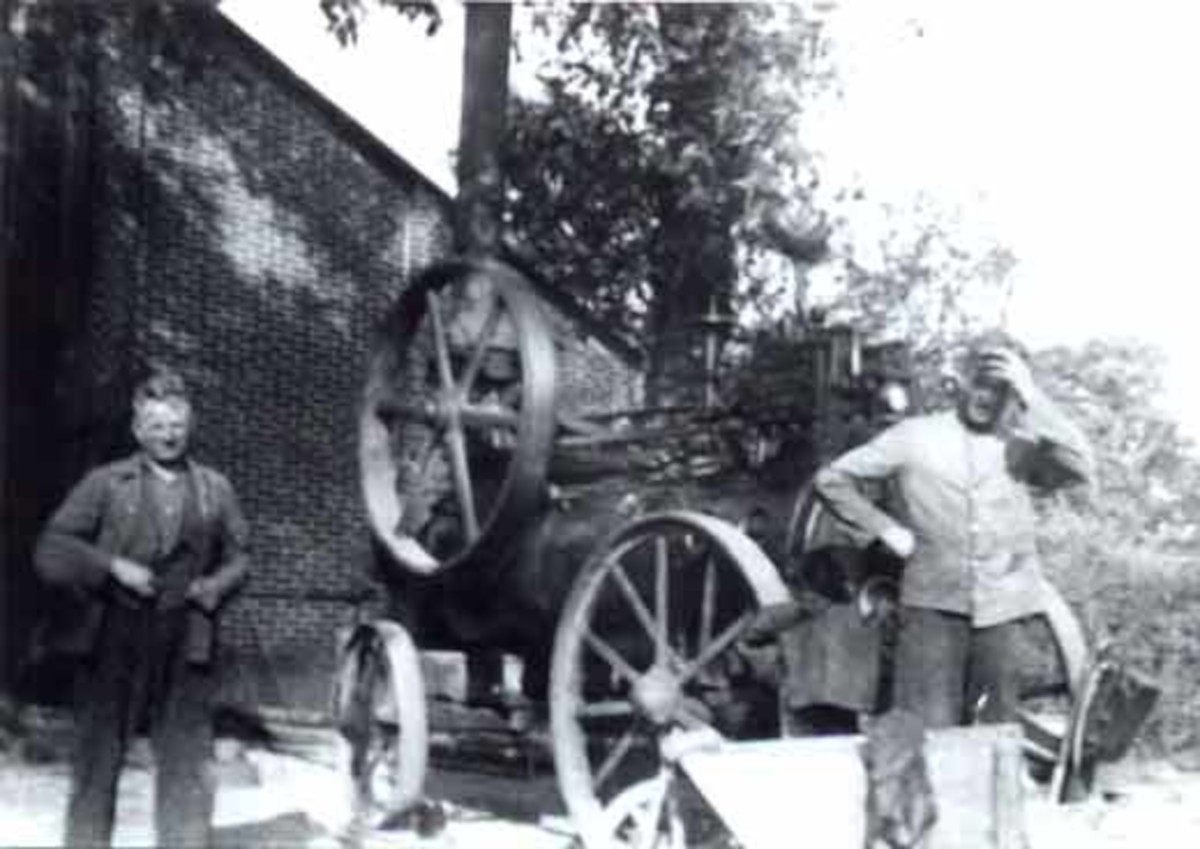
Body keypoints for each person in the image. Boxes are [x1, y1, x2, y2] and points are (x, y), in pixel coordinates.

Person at [813, 338, 1094, 729]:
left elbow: (1081, 468)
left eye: (1001, 390)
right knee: (924, 730)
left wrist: (1033, 395)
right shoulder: (914, 436)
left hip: (1001, 610)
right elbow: (831, 479)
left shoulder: (1021, 448)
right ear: (961, 383)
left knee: (995, 732)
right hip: (932, 608)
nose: (986, 398)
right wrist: (884, 528)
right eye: (980, 384)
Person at [34, 367, 249, 847]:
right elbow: (52, 547)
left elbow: (241, 558)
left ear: (188, 425)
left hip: (187, 638)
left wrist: (213, 586)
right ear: (138, 430)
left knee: (187, 762)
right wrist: (112, 567)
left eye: (175, 424)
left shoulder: (216, 488)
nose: (167, 434)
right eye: (156, 424)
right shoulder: (107, 483)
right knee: (98, 760)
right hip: (113, 636)